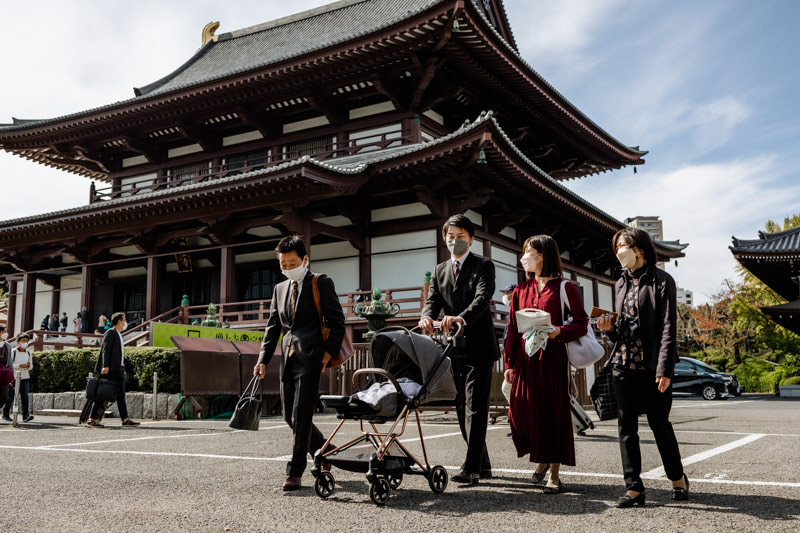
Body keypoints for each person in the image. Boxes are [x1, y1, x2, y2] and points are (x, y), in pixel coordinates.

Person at [597, 227, 688, 507]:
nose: (618, 251)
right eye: (616, 247)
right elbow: (621, 330)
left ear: (640, 249)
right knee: (626, 428)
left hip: (651, 367)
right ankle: (634, 488)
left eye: (623, 245)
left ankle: (678, 480)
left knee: (660, 424)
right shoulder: (620, 283)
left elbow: (667, 328)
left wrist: (664, 368)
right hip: (623, 364)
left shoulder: (662, 280)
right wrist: (608, 330)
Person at [253, 235, 345, 491]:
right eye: (282, 264)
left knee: (301, 415)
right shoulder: (279, 289)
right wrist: (263, 360)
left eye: (291, 263)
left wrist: (327, 354)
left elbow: (338, 322)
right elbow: (273, 328)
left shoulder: (321, 282)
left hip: (313, 357)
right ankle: (324, 449)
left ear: (305, 260)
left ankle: (294, 472)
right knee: (288, 415)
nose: (287, 268)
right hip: (288, 358)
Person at [503, 235, 588, 494]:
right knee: (522, 412)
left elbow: (582, 321)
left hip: (552, 358)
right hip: (525, 360)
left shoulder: (565, 288)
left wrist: (559, 331)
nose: (524, 257)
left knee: (552, 414)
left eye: (528, 251)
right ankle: (540, 459)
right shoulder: (520, 290)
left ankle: (553, 472)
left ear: (542, 256)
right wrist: (510, 362)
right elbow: (512, 328)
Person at [419, 214, 499, 485]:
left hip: (479, 345)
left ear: (472, 239)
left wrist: (460, 317)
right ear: (444, 239)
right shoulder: (440, 269)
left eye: (460, 237)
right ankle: (483, 464)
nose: (454, 241)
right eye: (450, 237)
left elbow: (482, 298)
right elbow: (432, 300)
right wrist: (426, 317)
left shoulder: (483, 265)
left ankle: (472, 467)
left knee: (476, 407)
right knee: (461, 407)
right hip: (452, 348)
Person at [86, 312, 140, 428]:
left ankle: (125, 419)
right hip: (110, 370)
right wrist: (105, 366)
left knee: (121, 396)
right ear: (119, 321)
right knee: (101, 394)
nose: (125, 322)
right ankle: (91, 419)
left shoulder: (119, 334)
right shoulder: (110, 332)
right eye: (124, 320)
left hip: (119, 369)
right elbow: (105, 350)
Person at [2, 332, 34, 423]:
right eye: (23, 341)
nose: (25, 343)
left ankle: (25, 415)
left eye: (27, 341)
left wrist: (28, 366)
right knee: (11, 397)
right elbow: (9, 365)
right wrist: (20, 365)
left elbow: (31, 366)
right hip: (14, 377)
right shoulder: (13, 352)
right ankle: (5, 414)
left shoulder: (28, 353)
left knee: (25, 397)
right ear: (18, 342)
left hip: (25, 377)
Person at [0, 326, 12, 411]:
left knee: (4, 395)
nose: (6, 333)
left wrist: (11, 376)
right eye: (4, 331)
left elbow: (10, 361)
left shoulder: (7, 345)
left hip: (4, 374)